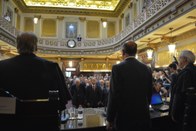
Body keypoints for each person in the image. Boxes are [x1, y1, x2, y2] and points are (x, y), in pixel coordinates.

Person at [0, 32, 71, 130]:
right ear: (35, 46)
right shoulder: (51, 67)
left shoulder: (2, 67)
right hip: (44, 123)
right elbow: (62, 100)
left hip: (9, 123)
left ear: (17, 45)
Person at [106, 41, 153, 131]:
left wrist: (110, 119)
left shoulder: (117, 68)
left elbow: (114, 95)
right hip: (143, 116)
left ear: (123, 52)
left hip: (125, 118)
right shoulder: (147, 69)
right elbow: (149, 94)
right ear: (135, 52)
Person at [171, 50, 196, 131]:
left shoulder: (185, 73)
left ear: (185, 59)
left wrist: (174, 114)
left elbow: (179, 96)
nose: (178, 60)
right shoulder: (193, 70)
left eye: (180, 58)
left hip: (184, 114)